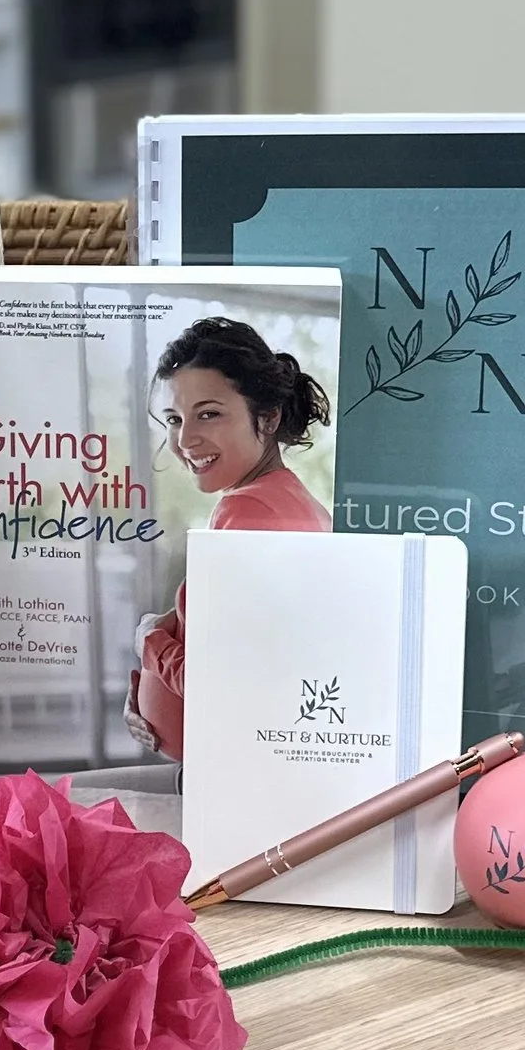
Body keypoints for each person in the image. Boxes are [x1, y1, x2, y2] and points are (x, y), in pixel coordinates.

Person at [130, 316, 331, 760]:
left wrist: (148, 641)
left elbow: (215, 683)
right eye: (173, 419)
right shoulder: (291, 503)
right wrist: (144, 684)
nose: (185, 439)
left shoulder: (248, 511)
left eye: (209, 414)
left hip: (225, 772)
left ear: (269, 416)